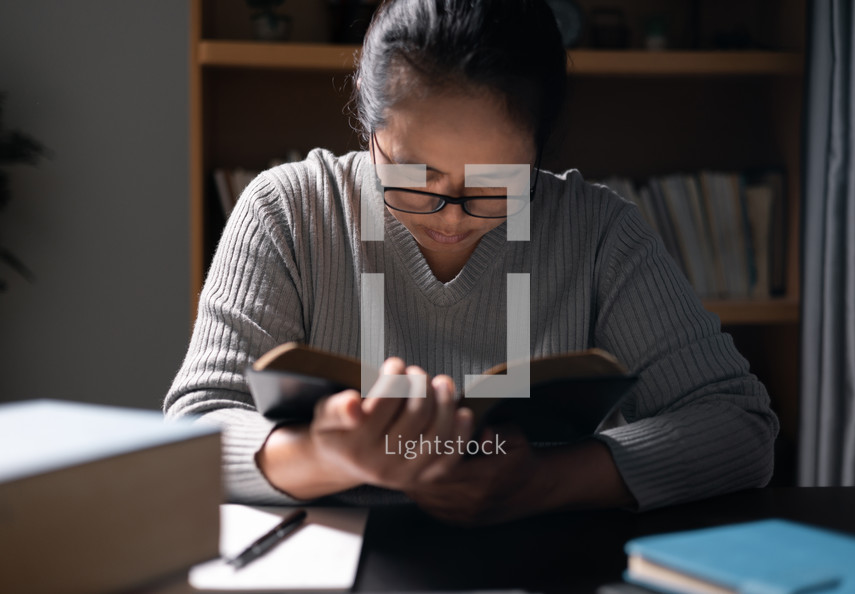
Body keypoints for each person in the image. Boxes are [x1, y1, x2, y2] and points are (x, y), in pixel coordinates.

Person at [164, 0, 778, 526]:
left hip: (541, 563)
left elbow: (740, 425)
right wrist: (328, 457)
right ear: (367, 126)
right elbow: (193, 428)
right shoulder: (289, 212)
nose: (451, 217)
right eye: (413, 176)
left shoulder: (595, 231)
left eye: (495, 186)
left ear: (540, 148)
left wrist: (544, 480)